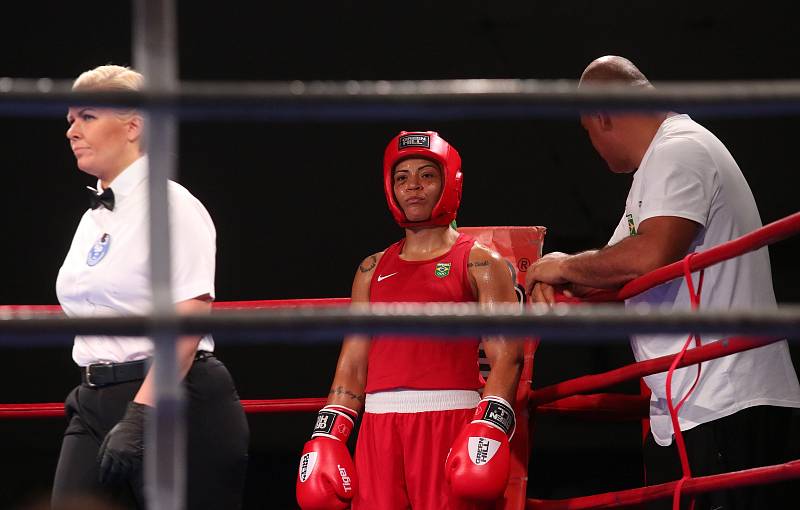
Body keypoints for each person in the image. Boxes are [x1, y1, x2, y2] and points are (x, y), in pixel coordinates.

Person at [526, 55, 800, 509]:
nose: (591, 144)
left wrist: (563, 267)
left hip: (725, 395)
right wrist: (560, 277)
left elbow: (649, 254)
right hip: (695, 400)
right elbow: (610, 270)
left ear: (602, 115)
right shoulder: (655, 170)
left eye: (586, 130)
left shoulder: (680, 149)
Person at [51, 65, 249, 509]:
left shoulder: (174, 206)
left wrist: (141, 414)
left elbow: (189, 319)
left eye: (86, 117)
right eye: (69, 120)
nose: (71, 131)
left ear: (134, 125)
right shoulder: (92, 219)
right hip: (94, 401)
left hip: (173, 399)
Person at [295, 131, 524, 510]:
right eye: (402, 177)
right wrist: (329, 435)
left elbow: (507, 356)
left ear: (449, 183)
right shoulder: (371, 268)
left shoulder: (481, 262)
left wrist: (489, 425)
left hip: (449, 418)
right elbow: (353, 361)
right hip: (378, 426)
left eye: (426, 175)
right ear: (390, 188)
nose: (413, 186)